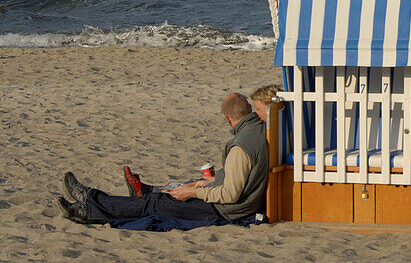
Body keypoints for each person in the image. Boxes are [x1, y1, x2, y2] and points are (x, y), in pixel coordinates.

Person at [57, 92, 269, 224]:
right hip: (236, 204)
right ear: (249, 110)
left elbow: (230, 194)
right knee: (175, 191)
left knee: (155, 204)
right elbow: (242, 176)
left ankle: (91, 204)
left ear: (227, 118)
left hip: (225, 210)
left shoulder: (240, 146)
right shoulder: (260, 130)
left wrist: (196, 192)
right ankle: (141, 190)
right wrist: (212, 180)